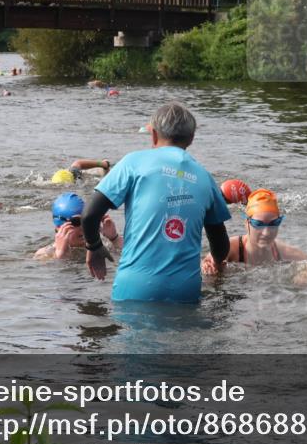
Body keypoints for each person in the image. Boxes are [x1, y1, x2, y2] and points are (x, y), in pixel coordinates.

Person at [81, 102, 231, 302]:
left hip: (135, 288)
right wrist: (217, 264)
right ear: (192, 139)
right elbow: (220, 243)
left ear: (153, 135)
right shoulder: (205, 178)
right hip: (185, 291)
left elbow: (90, 215)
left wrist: (94, 246)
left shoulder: (132, 163)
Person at [202, 188, 307, 274]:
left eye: (273, 223)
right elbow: (208, 261)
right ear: (247, 223)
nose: (266, 232)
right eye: (259, 224)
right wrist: (211, 269)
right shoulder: (231, 248)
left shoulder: (285, 252)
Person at [35, 192, 121, 260]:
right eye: (76, 222)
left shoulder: (101, 245)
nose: (83, 227)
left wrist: (114, 238)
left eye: (86, 220)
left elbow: (127, 256)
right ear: (59, 227)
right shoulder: (44, 254)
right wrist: (60, 255)